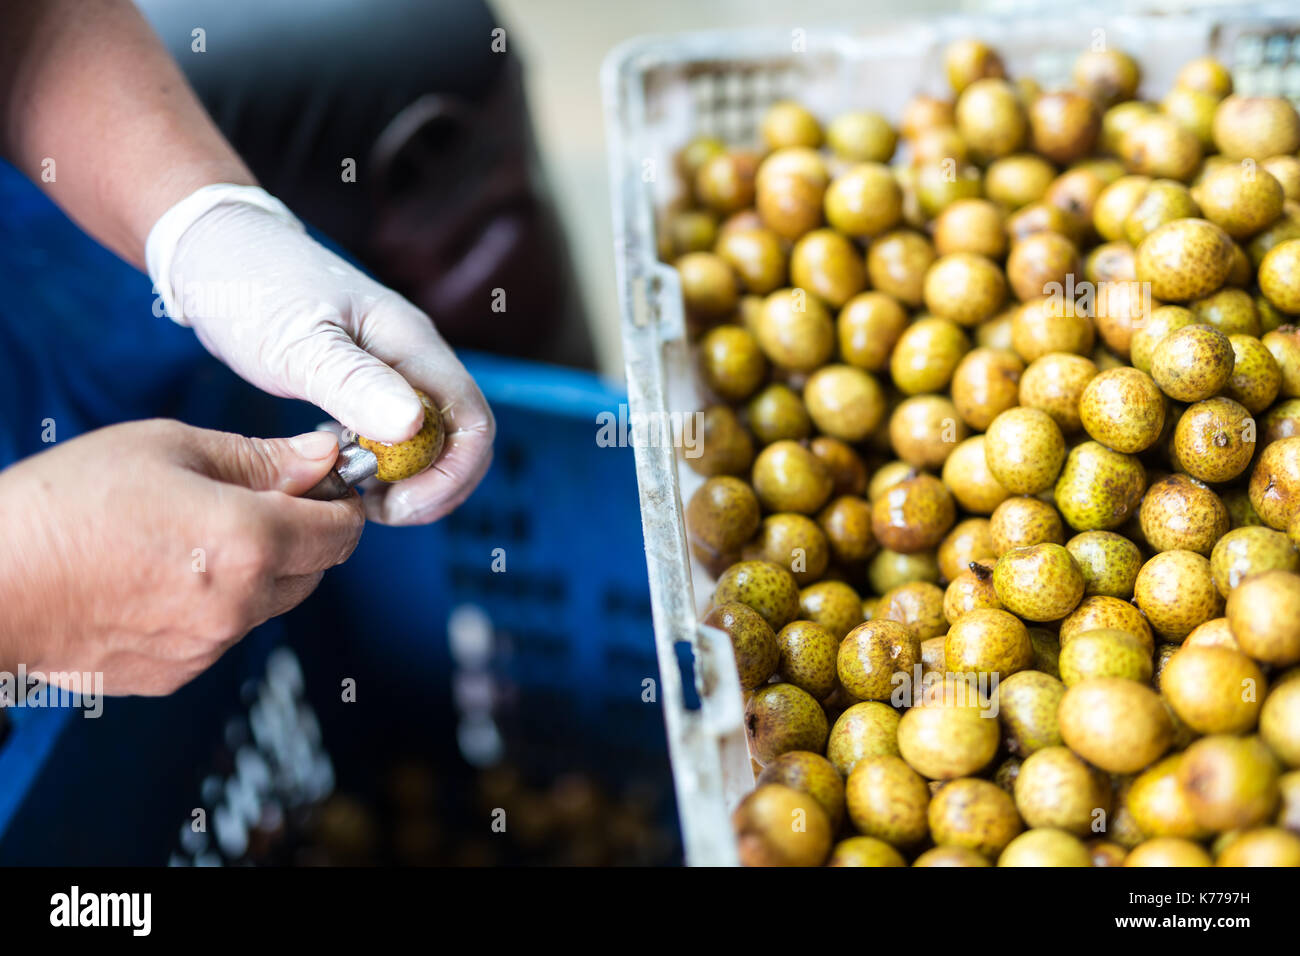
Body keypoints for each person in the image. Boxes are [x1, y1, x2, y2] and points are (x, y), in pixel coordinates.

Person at [0, 0, 494, 695]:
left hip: (42, 264)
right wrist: (25, 588)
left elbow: (30, 21)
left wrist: (203, 225)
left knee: (440, 41)